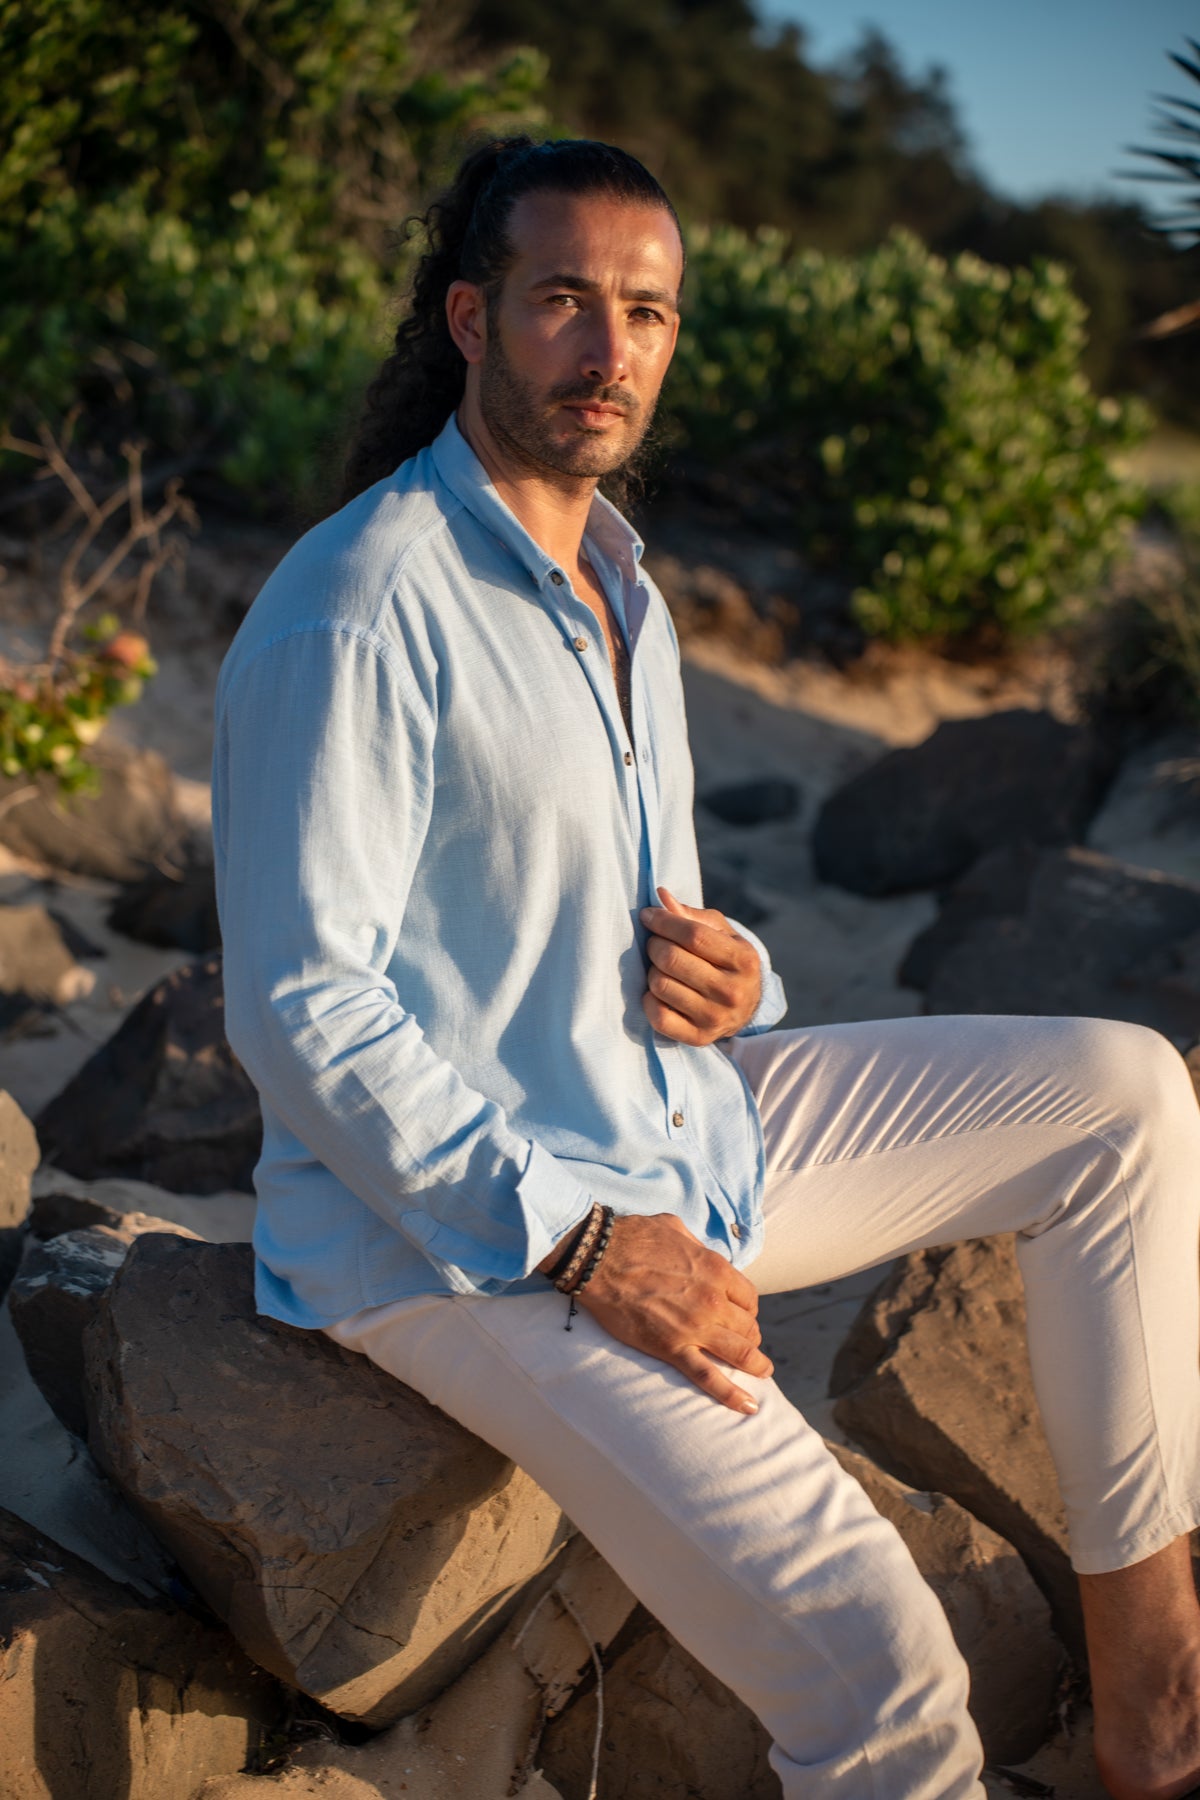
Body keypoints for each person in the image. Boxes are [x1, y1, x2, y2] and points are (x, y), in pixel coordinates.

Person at [211, 135, 1200, 1798]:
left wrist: (743, 981)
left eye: (649, 313)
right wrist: (594, 1240)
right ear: (471, 318)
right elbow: (301, 1006)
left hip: (668, 1125)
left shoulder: (622, 585)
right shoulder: (361, 603)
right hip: (465, 1237)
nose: (611, 351)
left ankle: (1156, 1702)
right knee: (889, 1674)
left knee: (1127, 1097)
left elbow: (616, 910)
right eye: (565, 302)